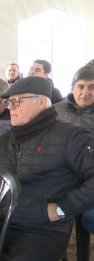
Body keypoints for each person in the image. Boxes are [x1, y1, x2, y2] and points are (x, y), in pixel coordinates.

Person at [0, 76, 94, 261]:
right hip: (1, 221)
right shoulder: (4, 140)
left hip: (44, 230)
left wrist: (62, 208)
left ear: (41, 103)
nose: (10, 107)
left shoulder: (72, 137)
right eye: (8, 102)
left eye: (16, 101)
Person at [55, 65, 94, 234]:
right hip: (58, 175)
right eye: (81, 86)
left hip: (90, 177)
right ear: (72, 88)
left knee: (90, 217)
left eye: (92, 87)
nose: (85, 93)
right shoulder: (54, 110)